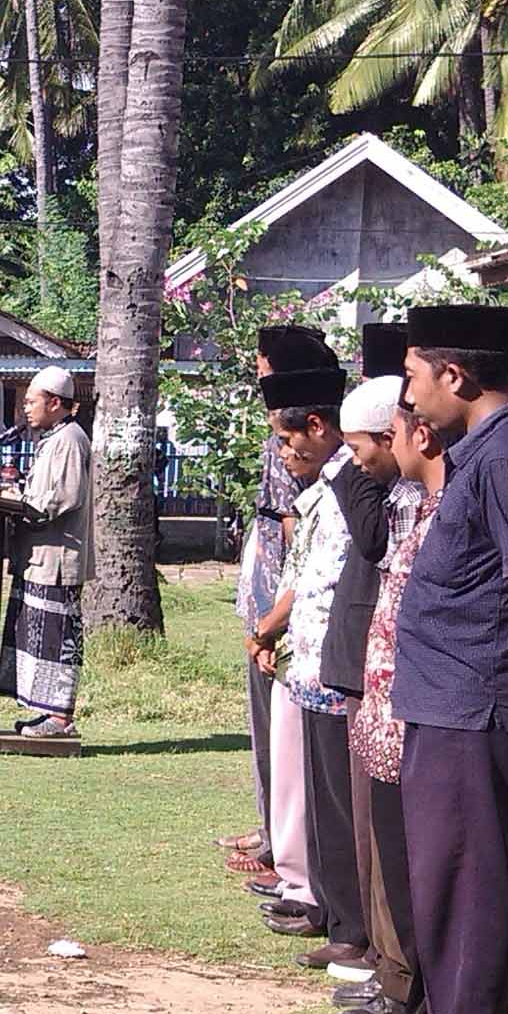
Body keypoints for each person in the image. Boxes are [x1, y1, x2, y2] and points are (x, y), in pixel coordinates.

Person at [391, 303, 508, 1014]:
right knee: (442, 870)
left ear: (452, 374)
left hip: (475, 698)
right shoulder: (485, 448)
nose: (407, 396)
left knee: (468, 876)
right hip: (448, 699)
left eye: (411, 375)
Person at [247, 361, 367, 970]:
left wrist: (279, 626)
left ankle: (347, 922)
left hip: (334, 663)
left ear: (319, 427)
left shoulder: (352, 486)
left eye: (289, 440)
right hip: (310, 661)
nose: (285, 452)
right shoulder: (323, 490)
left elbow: (332, 581)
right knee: (316, 796)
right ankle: (328, 906)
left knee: (339, 804)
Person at [329, 366, 428, 1014]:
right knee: (379, 841)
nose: (354, 460)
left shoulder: (407, 494)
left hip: (406, 690)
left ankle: (402, 981)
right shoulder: (397, 492)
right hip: (380, 683)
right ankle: (389, 972)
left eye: (362, 445)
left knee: (396, 845)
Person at [227, 326, 336, 883]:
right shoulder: (285, 428)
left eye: (263, 365)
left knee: (286, 726)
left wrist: (278, 617)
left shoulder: (297, 434)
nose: (257, 376)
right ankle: (275, 826)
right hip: (272, 587)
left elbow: (296, 526)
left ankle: (285, 842)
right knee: (272, 726)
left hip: (288, 593)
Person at [0, 366, 94, 738]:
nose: (26, 408)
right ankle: (45, 710)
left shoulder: (70, 438)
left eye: (32, 401)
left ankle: (61, 718)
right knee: (36, 635)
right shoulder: (53, 438)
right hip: (38, 558)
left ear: (54, 403)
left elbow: (61, 498)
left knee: (56, 636)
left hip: (58, 559)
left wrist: (17, 503)